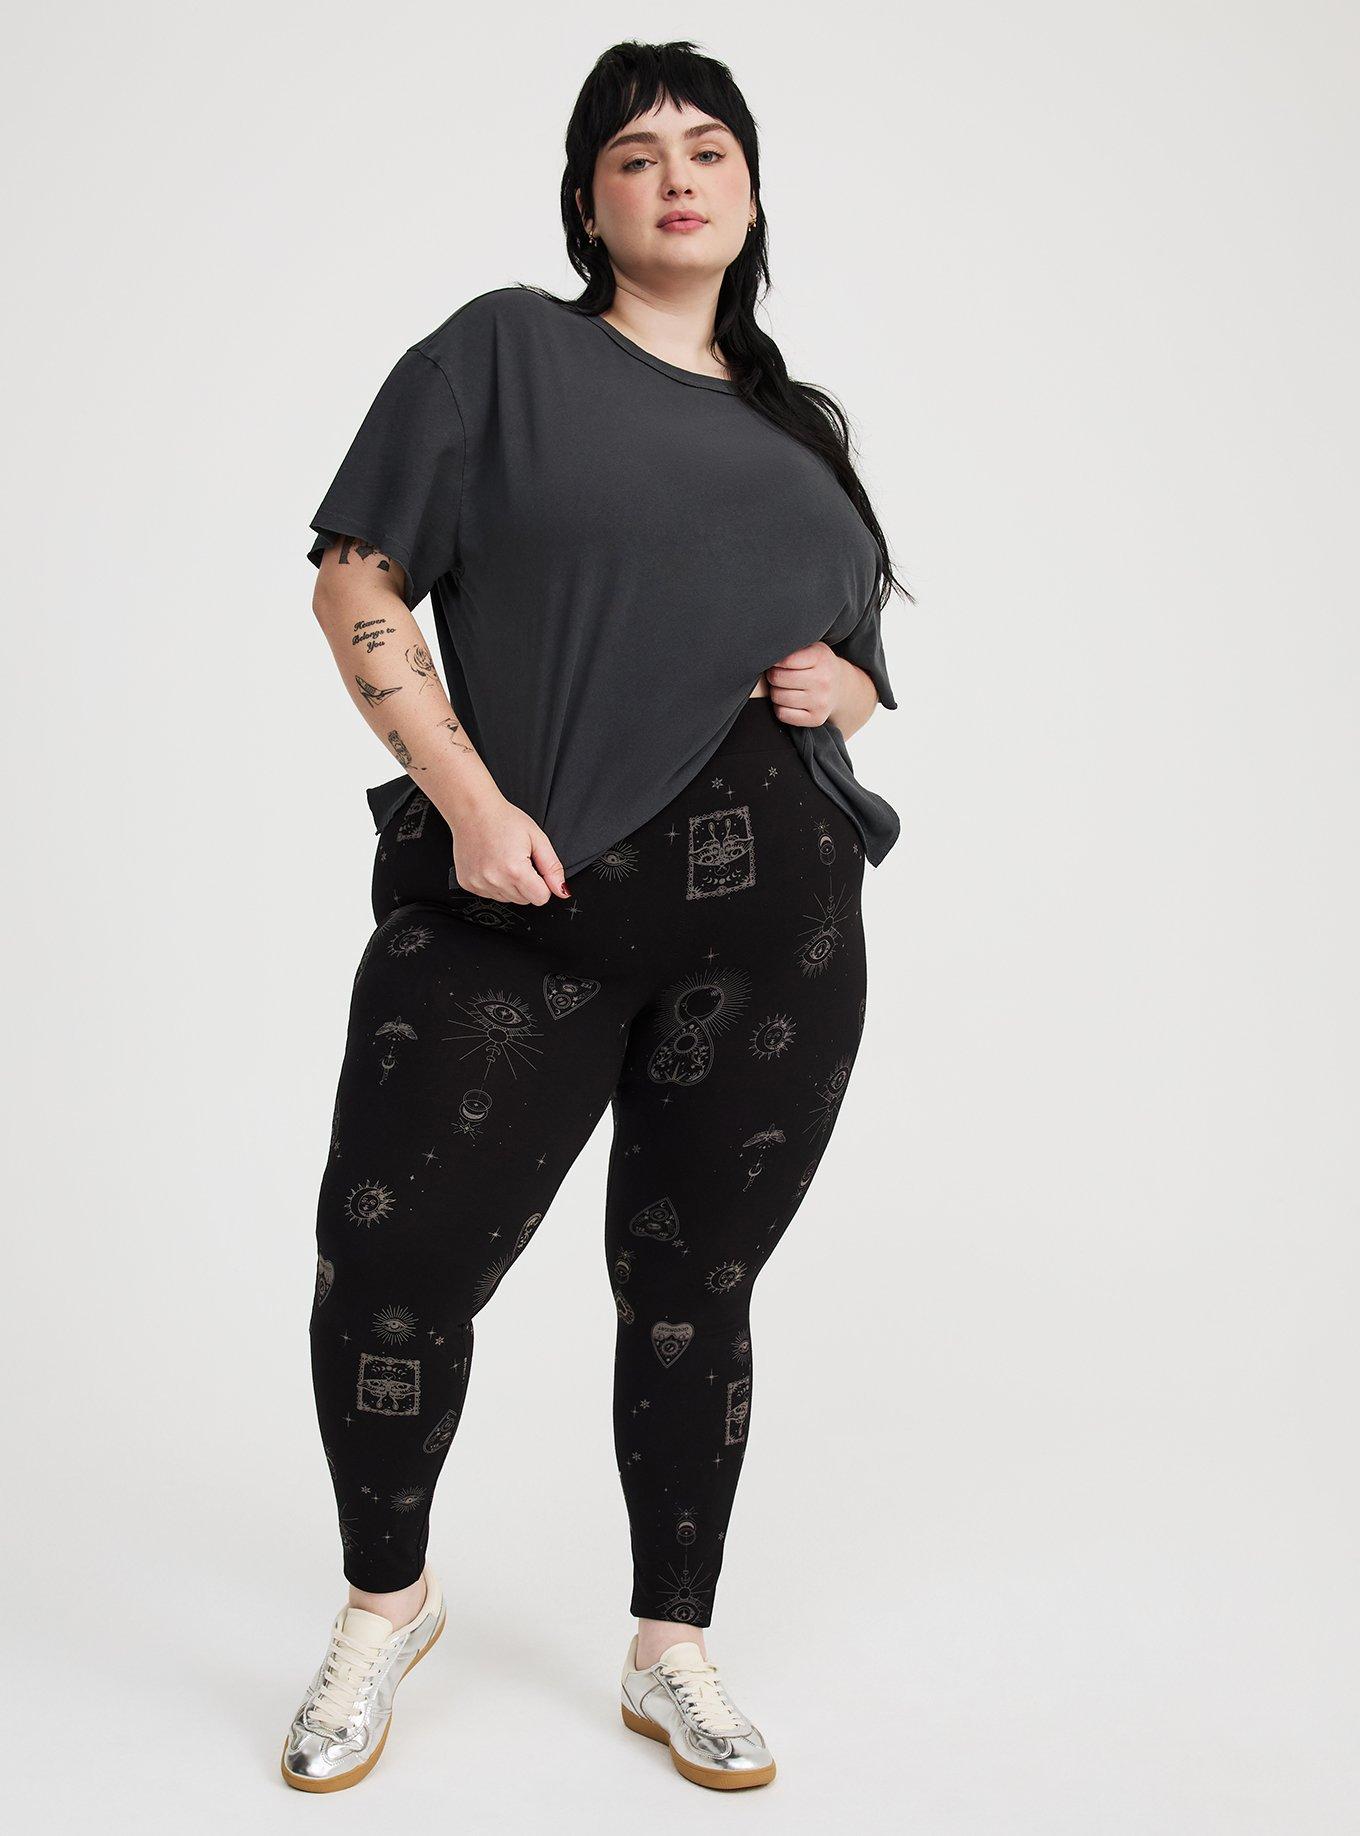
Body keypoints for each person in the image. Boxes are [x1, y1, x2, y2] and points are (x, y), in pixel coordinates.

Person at [280, 37, 912, 1795]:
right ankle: (385, 1605)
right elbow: (355, 578)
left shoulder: (798, 430)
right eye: (638, 155)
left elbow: (852, 653)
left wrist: (853, 690)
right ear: (588, 203)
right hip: (523, 903)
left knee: (696, 1287)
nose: (677, 175)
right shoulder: (504, 356)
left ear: (753, 194)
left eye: (710, 149)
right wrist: (470, 801)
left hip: (776, 930)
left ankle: (669, 1649)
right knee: (393, 1269)